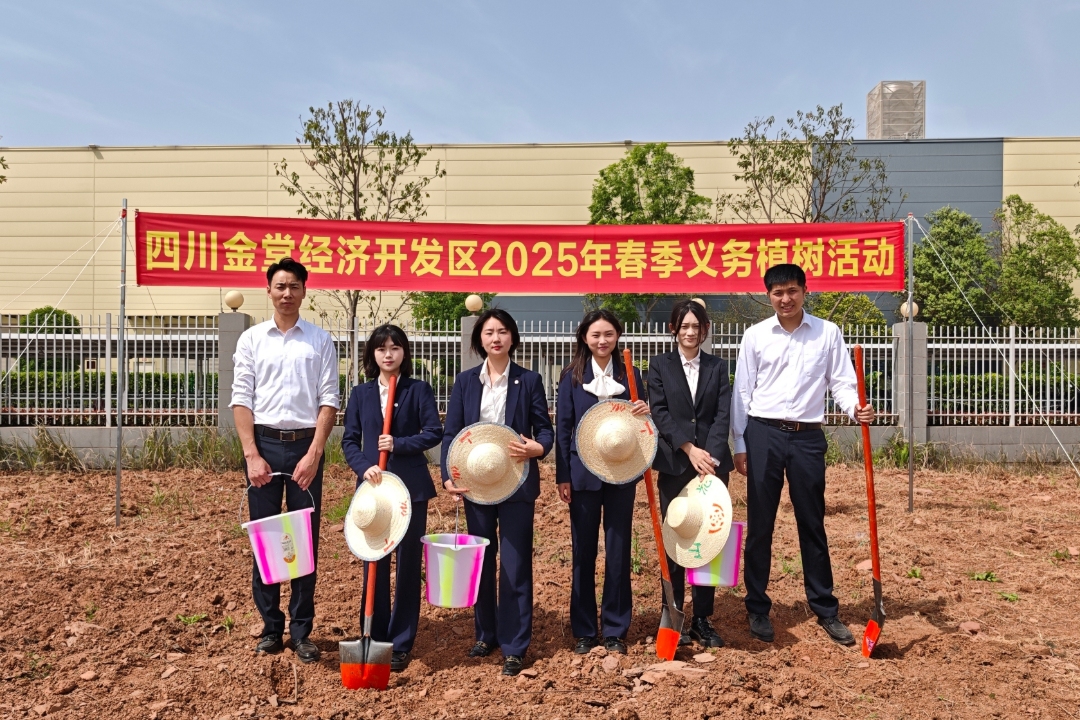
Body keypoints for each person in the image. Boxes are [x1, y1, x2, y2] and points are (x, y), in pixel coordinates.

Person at [731, 263, 875, 646]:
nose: (786, 299)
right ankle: (757, 607)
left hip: (807, 437)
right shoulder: (756, 335)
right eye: (778, 293)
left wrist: (854, 408)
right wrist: (740, 443)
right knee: (760, 524)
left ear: (805, 291)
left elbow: (841, 382)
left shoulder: (827, 333)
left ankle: (825, 608)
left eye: (792, 291)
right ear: (768, 296)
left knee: (812, 522)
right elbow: (742, 392)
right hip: (763, 433)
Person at [231, 257, 339, 663]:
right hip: (263, 445)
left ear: (304, 291)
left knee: (303, 540)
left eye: (294, 286)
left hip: (305, 449)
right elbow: (241, 398)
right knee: (267, 539)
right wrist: (251, 454)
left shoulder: (319, 340)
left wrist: (314, 453)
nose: (287, 293)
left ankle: (301, 630)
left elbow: (329, 400)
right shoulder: (252, 340)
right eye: (280, 286)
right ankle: (271, 629)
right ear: (269, 290)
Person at [441, 308, 554, 677]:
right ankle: (485, 634)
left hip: (517, 482)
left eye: (503, 331)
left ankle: (515, 645)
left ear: (512, 338)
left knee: (515, 565)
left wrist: (539, 448)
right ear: (480, 339)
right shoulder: (465, 382)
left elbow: (545, 430)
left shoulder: (529, 380)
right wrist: (447, 476)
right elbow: (451, 433)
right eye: (489, 332)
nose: (496, 338)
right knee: (482, 560)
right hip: (476, 483)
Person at [342, 324, 443, 673]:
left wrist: (398, 444)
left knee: (408, 564)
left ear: (404, 353)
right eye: (382, 348)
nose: (388, 354)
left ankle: (401, 642)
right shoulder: (361, 394)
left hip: (409, 489)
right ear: (372, 354)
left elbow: (434, 432)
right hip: (374, 491)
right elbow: (349, 440)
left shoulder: (418, 390)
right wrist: (364, 466)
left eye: (395, 348)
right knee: (374, 559)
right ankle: (374, 633)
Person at [555, 309, 650, 655]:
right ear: (584, 337)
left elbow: (643, 424)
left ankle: (614, 629)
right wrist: (563, 476)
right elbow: (563, 427)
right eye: (595, 335)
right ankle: (584, 630)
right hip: (582, 473)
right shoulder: (571, 376)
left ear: (618, 336)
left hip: (622, 472)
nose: (602, 341)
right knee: (583, 551)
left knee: (618, 550)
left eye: (609, 334)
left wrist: (645, 411)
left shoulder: (631, 375)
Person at [646, 299, 734, 648]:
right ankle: (673, 613)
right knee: (676, 539)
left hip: (711, 467)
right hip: (676, 465)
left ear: (705, 330)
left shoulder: (717, 366)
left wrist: (709, 457)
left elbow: (722, 414)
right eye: (684, 326)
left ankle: (702, 618)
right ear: (674, 329)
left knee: (710, 540)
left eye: (696, 326)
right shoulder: (659, 366)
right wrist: (689, 449)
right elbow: (660, 412)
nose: (690, 332)